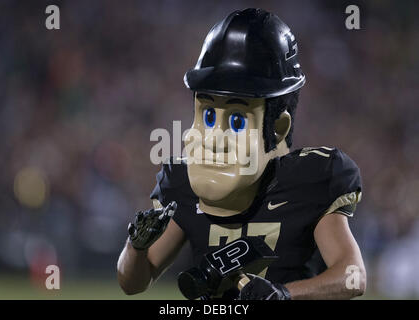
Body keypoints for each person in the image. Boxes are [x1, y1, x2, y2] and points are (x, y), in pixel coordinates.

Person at [117, 8, 366, 300]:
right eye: (208, 115)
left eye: (237, 120)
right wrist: (135, 246)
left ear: (278, 126)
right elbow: (133, 283)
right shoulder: (183, 185)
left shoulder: (310, 179)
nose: (215, 140)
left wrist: (283, 295)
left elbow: (353, 276)